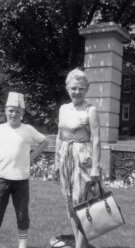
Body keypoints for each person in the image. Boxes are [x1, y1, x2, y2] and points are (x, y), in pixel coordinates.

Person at [0, 92, 48, 248]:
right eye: (11, 110)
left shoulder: (28, 129)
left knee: (22, 215)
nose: (14, 114)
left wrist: (33, 155)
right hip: (1, 178)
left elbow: (44, 141)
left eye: (17, 111)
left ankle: (22, 245)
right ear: (5, 111)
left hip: (21, 180)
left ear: (22, 113)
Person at [54, 68, 101, 248]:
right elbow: (59, 136)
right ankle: (81, 244)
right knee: (69, 203)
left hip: (83, 159)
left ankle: (80, 246)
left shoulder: (91, 110)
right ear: (67, 88)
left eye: (81, 88)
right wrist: (56, 160)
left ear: (86, 89)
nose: (77, 92)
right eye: (73, 88)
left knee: (82, 204)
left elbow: (96, 139)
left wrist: (96, 166)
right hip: (65, 158)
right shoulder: (63, 109)